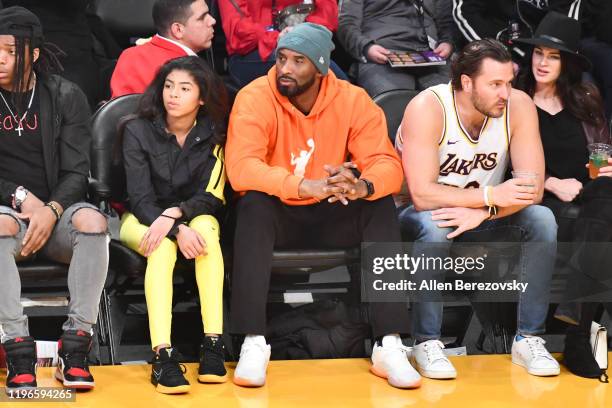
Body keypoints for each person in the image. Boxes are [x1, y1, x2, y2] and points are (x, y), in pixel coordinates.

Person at [225, 23, 420, 389]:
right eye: (281, 58)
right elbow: (241, 169)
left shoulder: (353, 100)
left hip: (332, 206)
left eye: (298, 61)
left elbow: (388, 165)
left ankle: (389, 342)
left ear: (320, 67)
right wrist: (302, 184)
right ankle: (253, 341)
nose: (284, 68)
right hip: (279, 209)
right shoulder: (255, 97)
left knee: (378, 206)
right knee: (251, 204)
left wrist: (362, 186)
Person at [399, 38, 560, 379]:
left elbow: (531, 191)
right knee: (435, 225)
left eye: (509, 83)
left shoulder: (518, 106)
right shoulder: (428, 107)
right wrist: (490, 198)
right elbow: (422, 195)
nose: (505, 93)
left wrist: (485, 211)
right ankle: (426, 342)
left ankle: (528, 338)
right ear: (467, 82)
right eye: (495, 84)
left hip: (483, 214)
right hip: (419, 215)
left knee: (542, 220)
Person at [0, 6, 109, 392]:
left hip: (57, 215)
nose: (1, 59)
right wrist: (19, 196)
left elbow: (77, 172)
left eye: (11, 51)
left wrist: (51, 210)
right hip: (8, 218)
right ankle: (16, 348)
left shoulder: (65, 95)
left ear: (33, 54)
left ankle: (76, 346)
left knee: (94, 222)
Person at [119, 56, 229, 394]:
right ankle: (162, 354)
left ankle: (213, 346)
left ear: (200, 97)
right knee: (163, 248)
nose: (173, 95)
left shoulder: (215, 134)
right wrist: (174, 228)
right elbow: (139, 199)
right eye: (168, 86)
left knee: (208, 229)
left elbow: (213, 196)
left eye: (184, 88)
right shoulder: (136, 129)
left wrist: (178, 214)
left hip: (188, 217)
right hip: (140, 220)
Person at [516, 11, 612, 380]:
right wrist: (551, 183)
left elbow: (598, 153)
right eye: (539, 53)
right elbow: (502, 163)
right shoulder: (515, 99)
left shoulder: (585, 97)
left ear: (568, 62)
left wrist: (603, 168)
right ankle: (578, 333)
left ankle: (576, 325)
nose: (542, 62)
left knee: (605, 191)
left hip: (590, 195)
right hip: (542, 198)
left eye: (553, 56)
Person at [218, 0, 347, 88]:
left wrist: (302, 32)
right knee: (316, 66)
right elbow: (237, 31)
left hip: (299, 42)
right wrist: (277, 38)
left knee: (322, 69)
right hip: (249, 54)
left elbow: (328, 16)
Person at [338, 0, 454, 97]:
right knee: (394, 103)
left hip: (431, 54)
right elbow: (346, 24)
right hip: (382, 55)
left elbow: (446, 20)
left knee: (452, 101)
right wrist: (366, 47)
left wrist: (447, 42)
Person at [110, 0, 216, 98]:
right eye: (202, 17)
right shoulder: (190, 70)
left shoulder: (128, 55)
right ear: (178, 30)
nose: (212, 21)